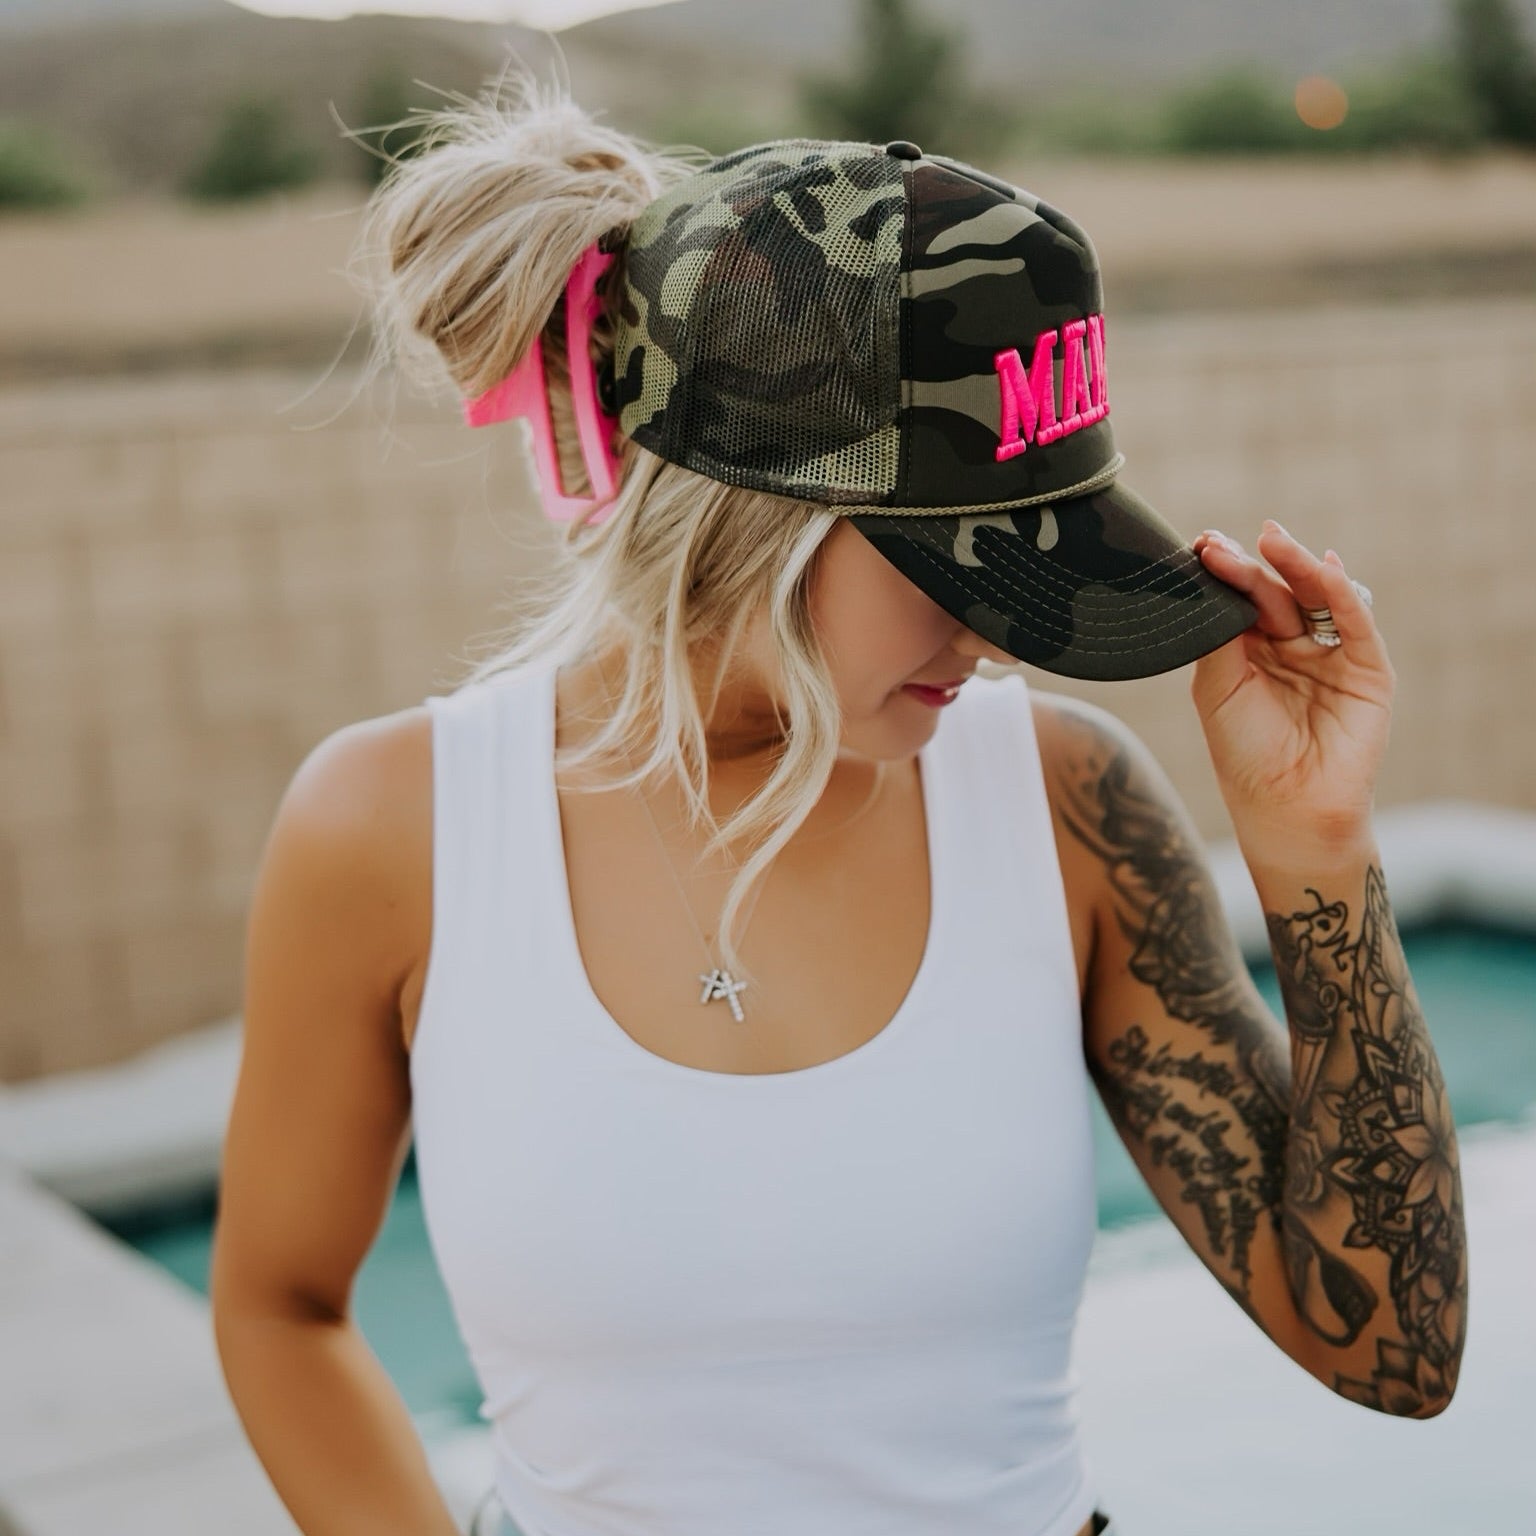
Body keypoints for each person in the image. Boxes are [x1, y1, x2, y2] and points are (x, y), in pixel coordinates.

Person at [209, 70, 1468, 1536]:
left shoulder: (1062, 805)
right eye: (955, 567)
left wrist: (1316, 856)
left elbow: (1388, 1348)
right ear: (744, 512)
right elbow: (279, 1306)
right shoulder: (397, 825)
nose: (996, 638)